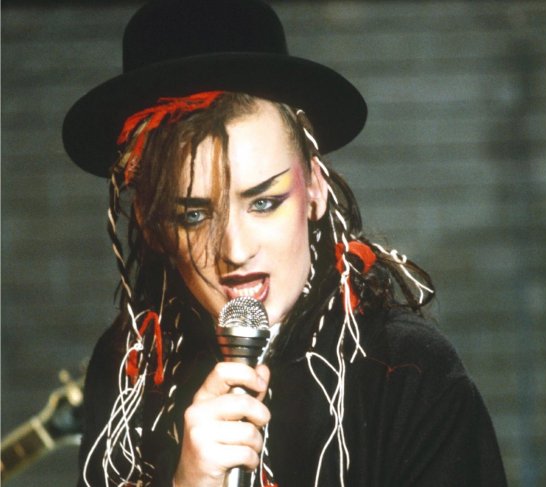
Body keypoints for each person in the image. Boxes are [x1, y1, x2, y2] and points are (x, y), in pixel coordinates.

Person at [62, 0, 508, 486]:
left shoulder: (408, 370)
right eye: (194, 215)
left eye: (263, 202)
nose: (235, 250)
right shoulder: (129, 370)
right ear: (151, 224)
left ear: (314, 187)